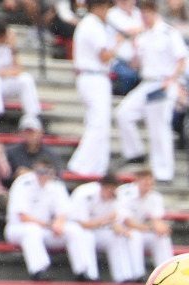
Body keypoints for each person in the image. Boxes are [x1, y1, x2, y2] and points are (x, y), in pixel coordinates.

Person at [115, 0, 187, 184]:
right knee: (123, 113)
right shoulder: (142, 35)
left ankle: (163, 172)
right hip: (146, 81)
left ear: (155, 12)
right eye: (143, 13)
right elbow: (136, 64)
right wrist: (131, 47)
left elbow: (181, 59)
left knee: (158, 127)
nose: (145, 17)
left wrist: (172, 79)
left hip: (162, 82)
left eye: (148, 13)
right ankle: (135, 153)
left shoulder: (168, 32)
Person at [67, 0, 120, 179]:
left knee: (97, 123)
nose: (108, 12)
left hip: (91, 76)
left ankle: (97, 166)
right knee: (98, 123)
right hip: (94, 76)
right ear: (98, 7)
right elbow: (104, 56)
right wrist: (118, 43)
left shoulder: (90, 24)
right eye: (106, 7)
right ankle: (80, 164)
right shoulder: (93, 25)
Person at [5, 158, 74, 281]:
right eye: (40, 171)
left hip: (44, 230)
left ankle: (85, 272)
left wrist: (58, 224)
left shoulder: (56, 186)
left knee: (74, 230)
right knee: (32, 230)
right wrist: (49, 225)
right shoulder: (23, 183)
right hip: (18, 228)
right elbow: (23, 217)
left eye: (47, 172)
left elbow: (63, 212)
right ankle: (39, 270)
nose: (43, 175)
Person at [66, 173, 135, 283]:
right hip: (74, 230)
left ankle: (124, 276)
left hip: (98, 230)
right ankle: (88, 274)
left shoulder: (115, 197)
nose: (111, 194)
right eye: (109, 190)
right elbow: (83, 224)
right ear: (103, 187)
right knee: (85, 235)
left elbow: (116, 221)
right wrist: (107, 219)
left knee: (116, 237)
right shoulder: (85, 193)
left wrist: (120, 229)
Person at [117, 168, 173, 282]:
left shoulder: (155, 197)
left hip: (142, 229)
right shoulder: (124, 193)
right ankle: (137, 273)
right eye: (145, 183)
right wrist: (153, 227)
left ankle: (167, 273)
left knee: (162, 236)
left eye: (150, 184)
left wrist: (160, 227)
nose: (148, 187)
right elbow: (128, 222)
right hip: (121, 230)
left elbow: (156, 219)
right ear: (137, 181)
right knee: (135, 236)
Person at [5, 115, 62, 184]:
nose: (30, 135)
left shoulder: (50, 155)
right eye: (27, 132)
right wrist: (16, 175)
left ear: (41, 132)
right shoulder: (12, 153)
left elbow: (57, 177)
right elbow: (5, 178)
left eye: (33, 132)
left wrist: (31, 174)